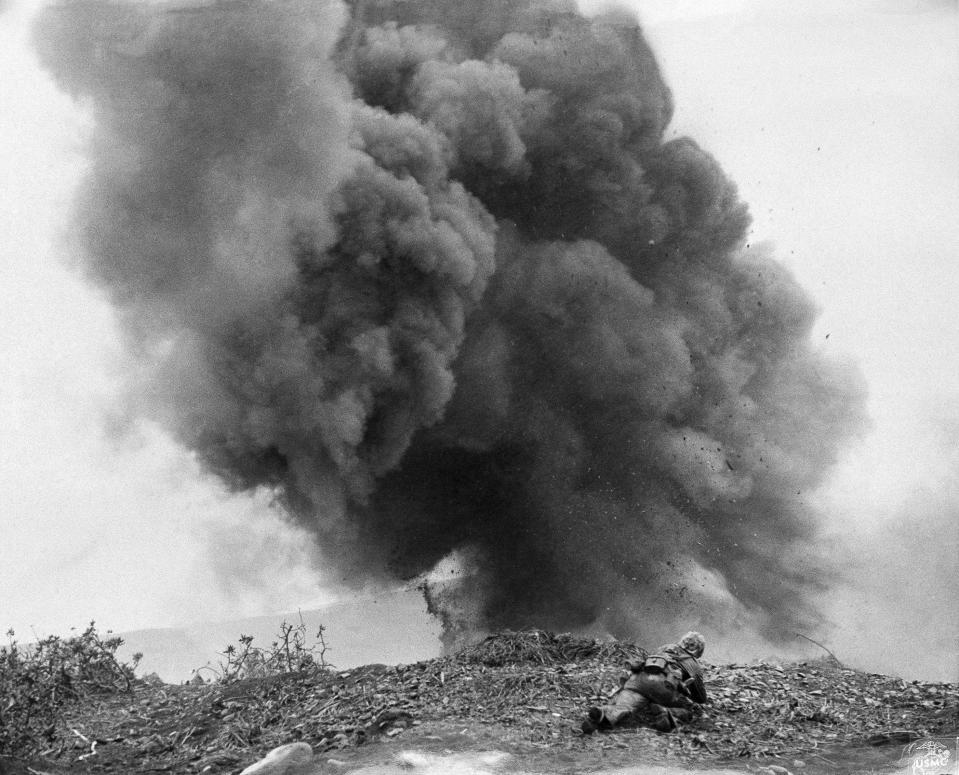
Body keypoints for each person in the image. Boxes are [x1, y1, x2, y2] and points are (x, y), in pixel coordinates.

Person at [581, 631, 708, 734]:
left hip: (637, 681)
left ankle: (601, 713)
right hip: (664, 688)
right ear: (697, 650)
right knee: (689, 711)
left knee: (624, 707)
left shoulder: (663, 648)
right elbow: (701, 698)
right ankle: (666, 713)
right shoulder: (693, 663)